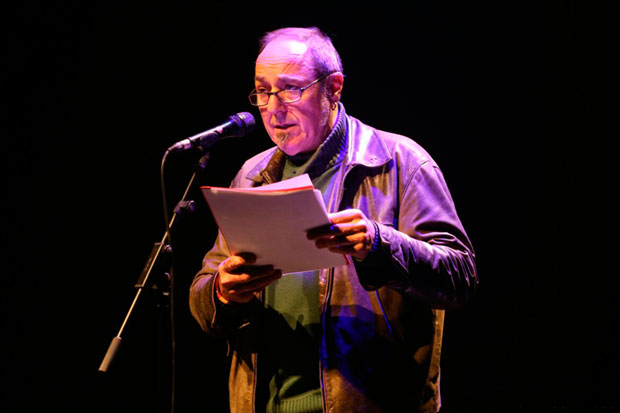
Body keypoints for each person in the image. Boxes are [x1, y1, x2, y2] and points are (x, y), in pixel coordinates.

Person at [189, 27, 477, 413]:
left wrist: (380, 244)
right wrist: (223, 291)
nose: (273, 108)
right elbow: (203, 295)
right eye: (263, 91)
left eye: (290, 88)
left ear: (333, 88)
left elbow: (460, 277)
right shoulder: (251, 175)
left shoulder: (399, 162)